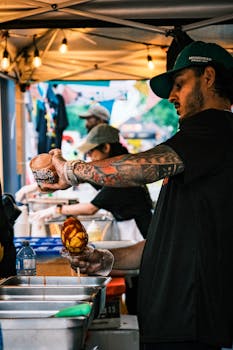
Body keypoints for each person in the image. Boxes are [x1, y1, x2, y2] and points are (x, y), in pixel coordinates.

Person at [38, 41, 233, 350]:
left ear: (208, 77)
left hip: (192, 325)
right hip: (174, 325)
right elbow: (162, 244)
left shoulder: (216, 130)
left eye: (179, 85)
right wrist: (106, 259)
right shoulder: (198, 145)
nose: (171, 97)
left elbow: (141, 168)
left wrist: (71, 170)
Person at [30, 123, 153, 315]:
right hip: (133, 232)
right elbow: (92, 179)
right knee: (135, 285)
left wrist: (56, 209)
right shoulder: (114, 171)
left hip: (140, 233)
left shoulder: (119, 174)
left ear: (106, 148)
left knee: (140, 286)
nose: (90, 159)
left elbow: (90, 208)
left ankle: (140, 318)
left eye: (92, 153)